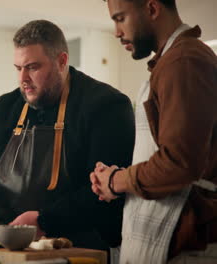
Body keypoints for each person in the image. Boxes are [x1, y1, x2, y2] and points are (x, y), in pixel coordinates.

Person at [0, 19, 135, 251]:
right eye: (18, 68)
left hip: (82, 248)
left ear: (62, 61)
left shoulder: (106, 106)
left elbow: (102, 192)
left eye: (33, 67)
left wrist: (44, 221)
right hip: (11, 246)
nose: (23, 79)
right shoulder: (8, 106)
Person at [91, 0, 217, 263]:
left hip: (186, 244)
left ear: (152, 9)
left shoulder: (184, 61)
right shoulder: (171, 61)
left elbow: (179, 163)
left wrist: (117, 181)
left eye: (120, 18)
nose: (116, 31)